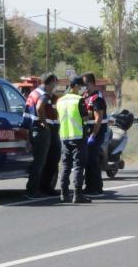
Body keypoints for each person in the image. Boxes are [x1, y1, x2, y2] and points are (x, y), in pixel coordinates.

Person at [55, 76, 91, 204]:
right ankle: (77, 194)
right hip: (78, 136)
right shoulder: (79, 100)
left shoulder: (60, 100)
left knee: (65, 165)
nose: (81, 89)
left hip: (64, 136)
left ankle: (63, 194)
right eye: (80, 87)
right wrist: (89, 114)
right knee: (78, 165)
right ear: (75, 86)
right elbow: (85, 118)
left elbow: (59, 118)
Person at [24, 73, 57, 199]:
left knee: (39, 161)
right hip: (41, 131)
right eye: (54, 83)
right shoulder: (43, 95)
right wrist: (43, 122)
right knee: (39, 162)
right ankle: (32, 190)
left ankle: (39, 188)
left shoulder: (33, 93)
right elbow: (39, 107)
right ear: (51, 82)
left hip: (33, 129)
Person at [81, 72, 107, 196]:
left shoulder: (98, 98)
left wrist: (93, 135)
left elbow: (98, 119)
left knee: (92, 159)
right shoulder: (85, 96)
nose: (83, 86)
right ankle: (89, 186)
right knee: (87, 159)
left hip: (97, 132)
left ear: (91, 83)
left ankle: (97, 188)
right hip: (87, 131)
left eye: (85, 84)